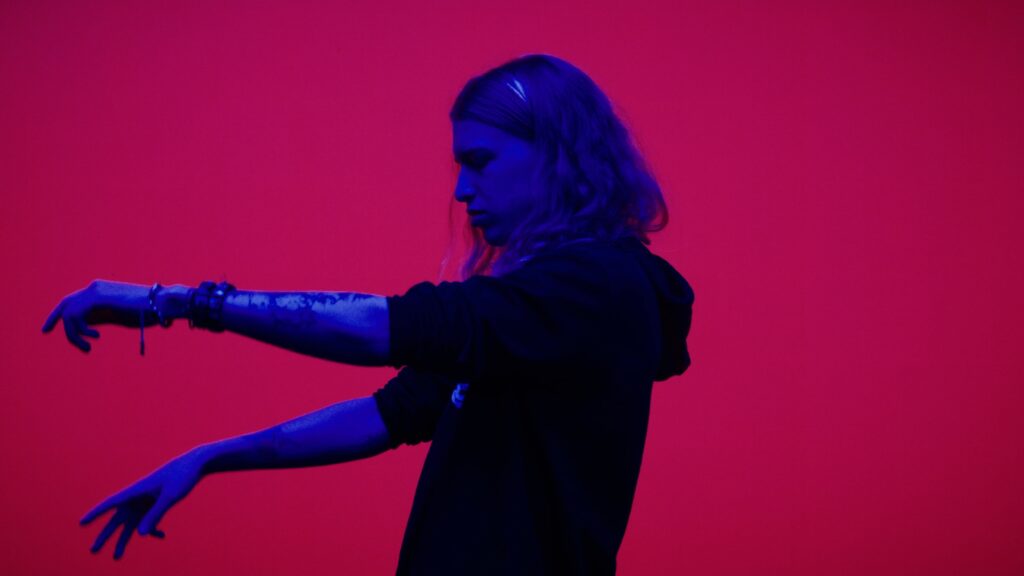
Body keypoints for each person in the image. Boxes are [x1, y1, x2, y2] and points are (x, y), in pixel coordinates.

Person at [41, 54, 694, 574]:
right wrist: (211, 456)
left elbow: (387, 327)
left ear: (555, 154)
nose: (462, 189)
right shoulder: (540, 310)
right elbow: (391, 413)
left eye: (480, 161)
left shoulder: (594, 287)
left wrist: (175, 301)